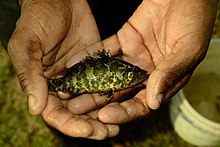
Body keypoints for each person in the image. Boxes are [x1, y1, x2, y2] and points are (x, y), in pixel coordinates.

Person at [8, 0, 217, 140]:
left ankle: (121, 135)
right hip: (63, 16)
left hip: (140, 9)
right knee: (70, 117)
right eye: (133, 74)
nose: (138, 76)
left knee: (121, 111)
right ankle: (70, 138)